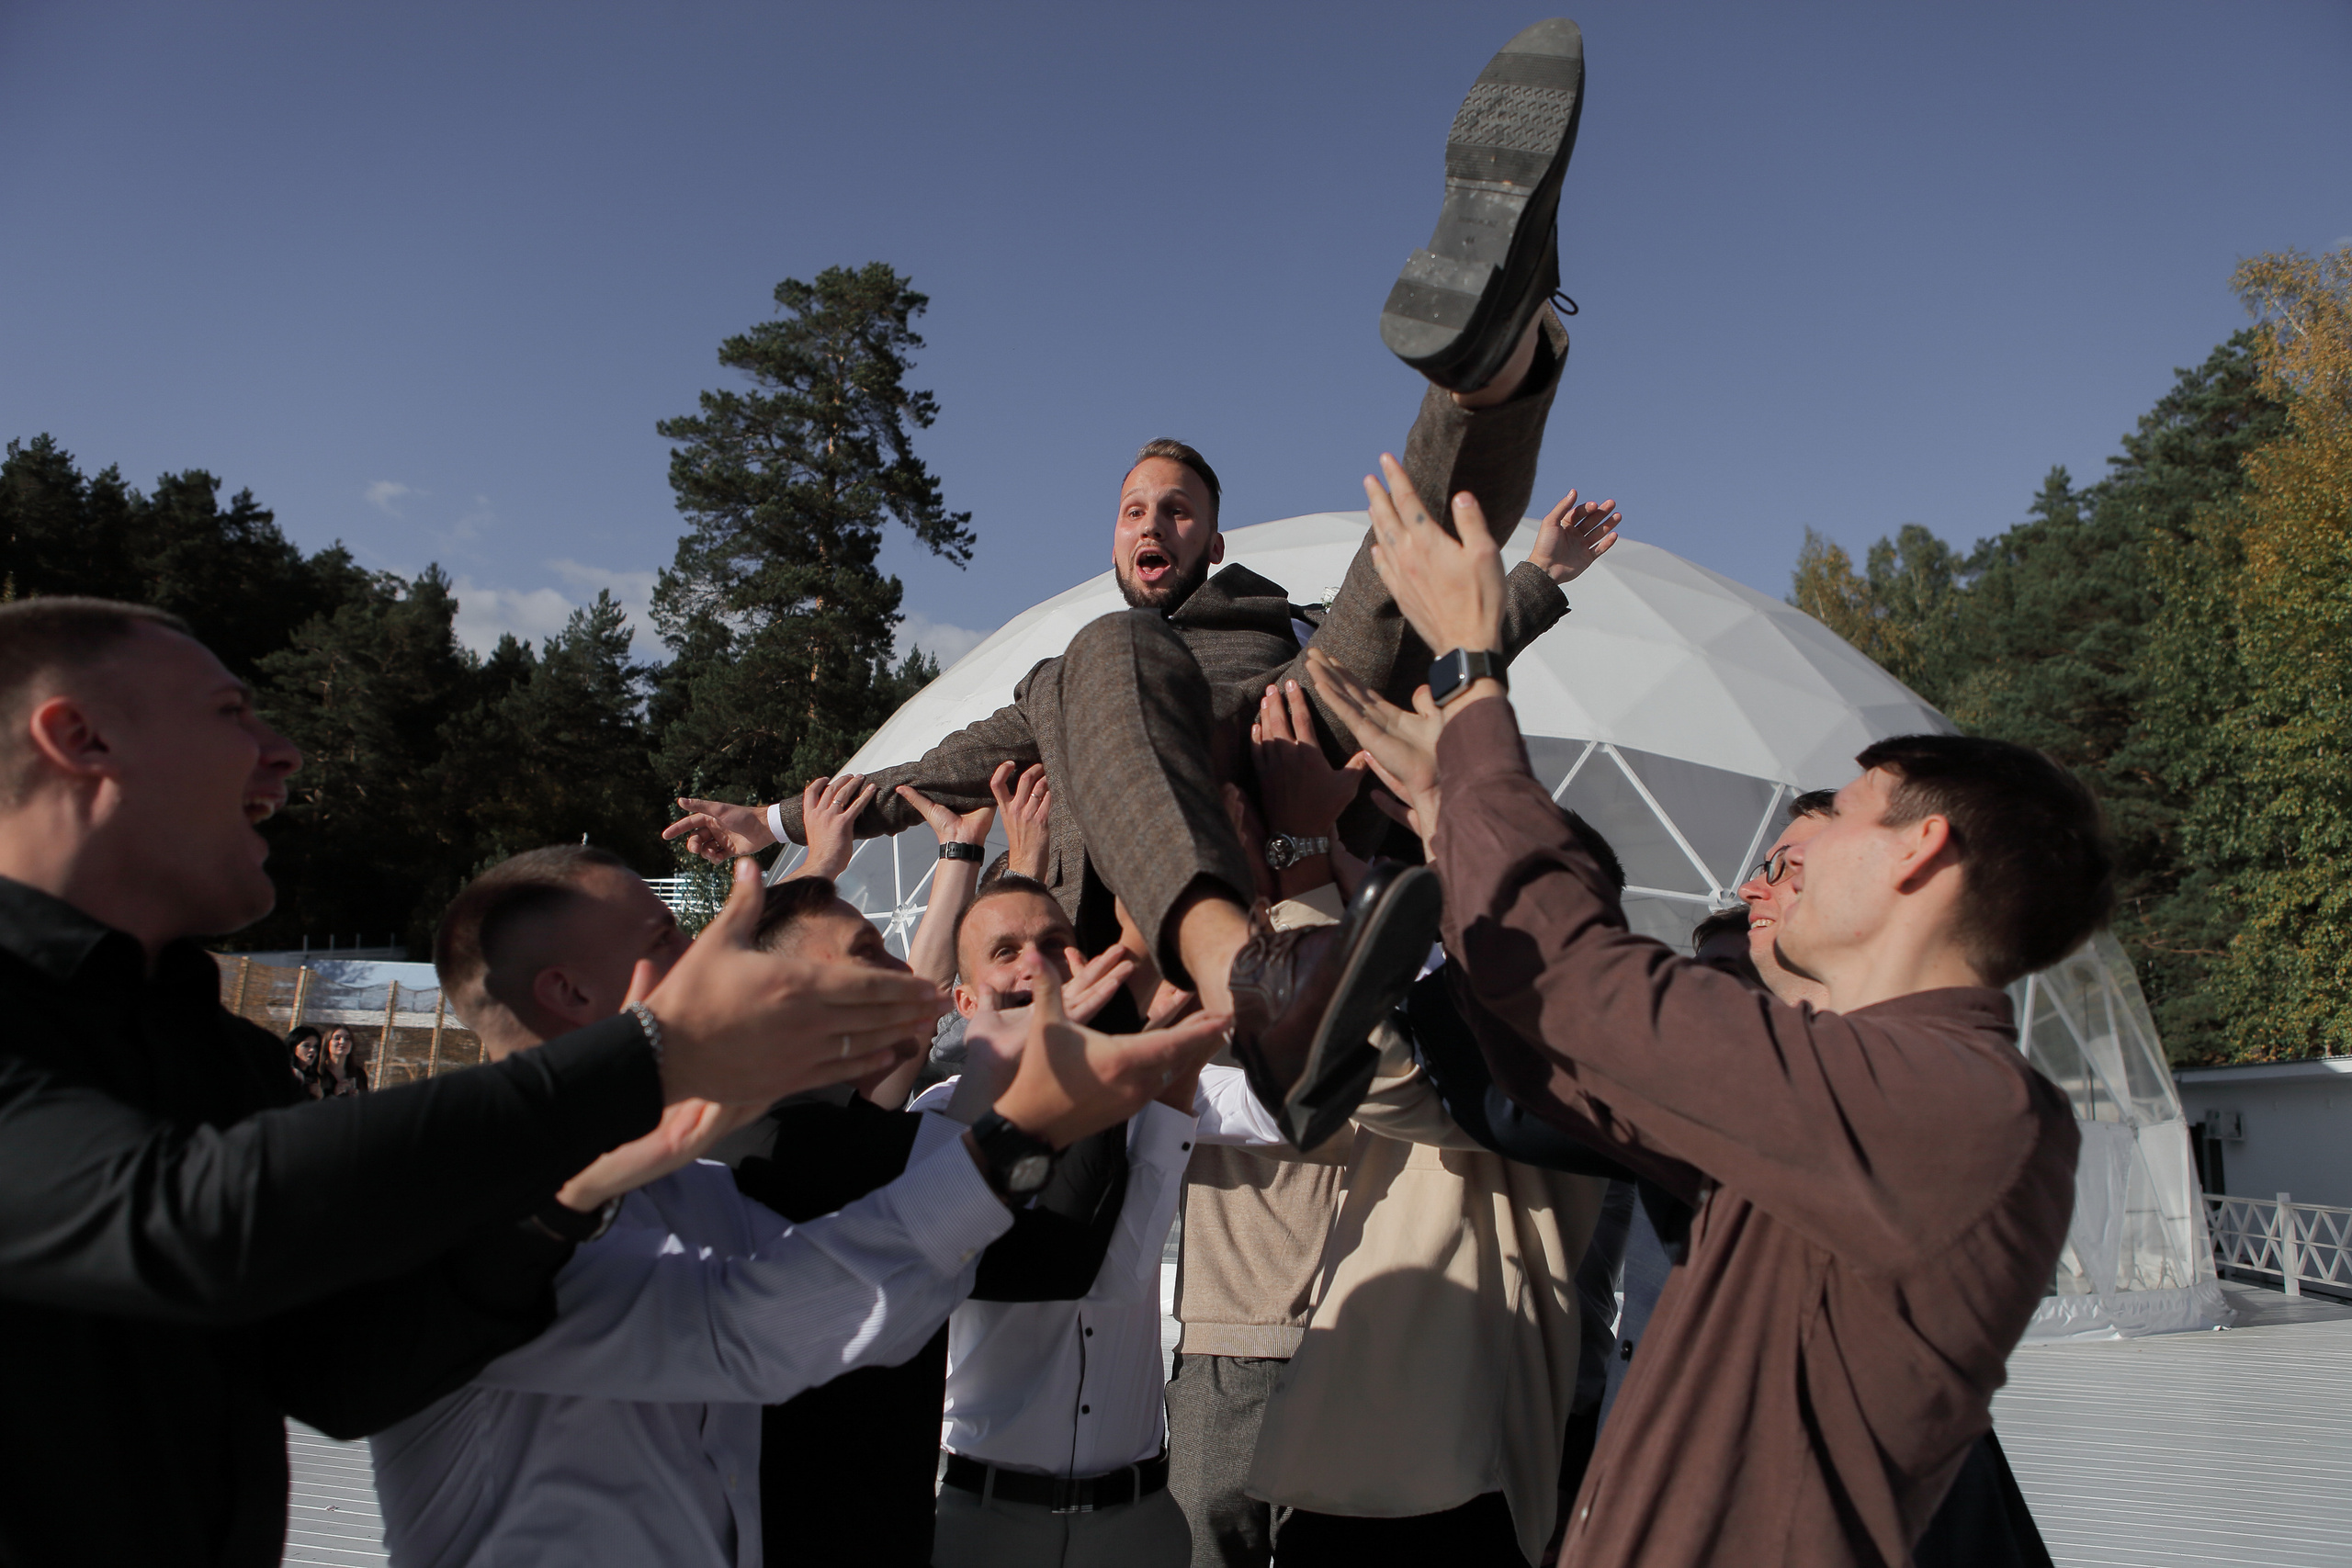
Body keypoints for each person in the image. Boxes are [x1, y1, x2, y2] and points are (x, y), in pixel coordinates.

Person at [664, 17, 1612, 1147]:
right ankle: (1244, 973)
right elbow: (931, 777)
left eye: (1177, 509)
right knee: (1102, 656)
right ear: (1113, 540)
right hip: (1100, 971)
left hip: (1279, 755)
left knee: (1391, 573)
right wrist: (772, 818)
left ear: (1214, 538)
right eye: (1133, 510)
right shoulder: (1066, 682)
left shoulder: (1275, 626)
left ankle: (1491, 367)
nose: (1152, 523)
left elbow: (1434, 647)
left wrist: (1532, 585)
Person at [0, 596, 957, 1567]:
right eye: (229, 713)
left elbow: (344, 1372)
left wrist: (563, 1206)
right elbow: (182, 1213)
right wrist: (644, 1058)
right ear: (80, 738)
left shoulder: (223, 1055)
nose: (283, 752)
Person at [1309, 459, 2105, 1568]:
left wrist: (1476, 675)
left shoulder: (1962, 1108)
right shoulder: (1853, 1095)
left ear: (1920, 850)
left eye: (1841, 814)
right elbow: (1560, 1070)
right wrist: (1448, 810)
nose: (1788, 854)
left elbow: (1592, 990)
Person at [369, 846, 1227, 1568]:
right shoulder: (449, 1206)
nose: (713, 958)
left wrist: (1013, 1103)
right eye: (669, 938)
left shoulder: (702, 1191)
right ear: (571, 992)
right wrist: (1024, 1114)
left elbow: (815, 1310)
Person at [317, 1022, 368, 1096]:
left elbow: (366, 1100)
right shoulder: (318, 1072)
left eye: (347, 1039)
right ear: (328, 1042)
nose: (342, 1042)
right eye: (337, 1038)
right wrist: (335, 1094)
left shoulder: (359, 1074)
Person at [287, 1024, 323, 1099]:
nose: (312, 1050)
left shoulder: (314, 1077)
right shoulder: (288, 1073)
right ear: (294, 1048)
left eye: (315, 1046)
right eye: (306, 1045)